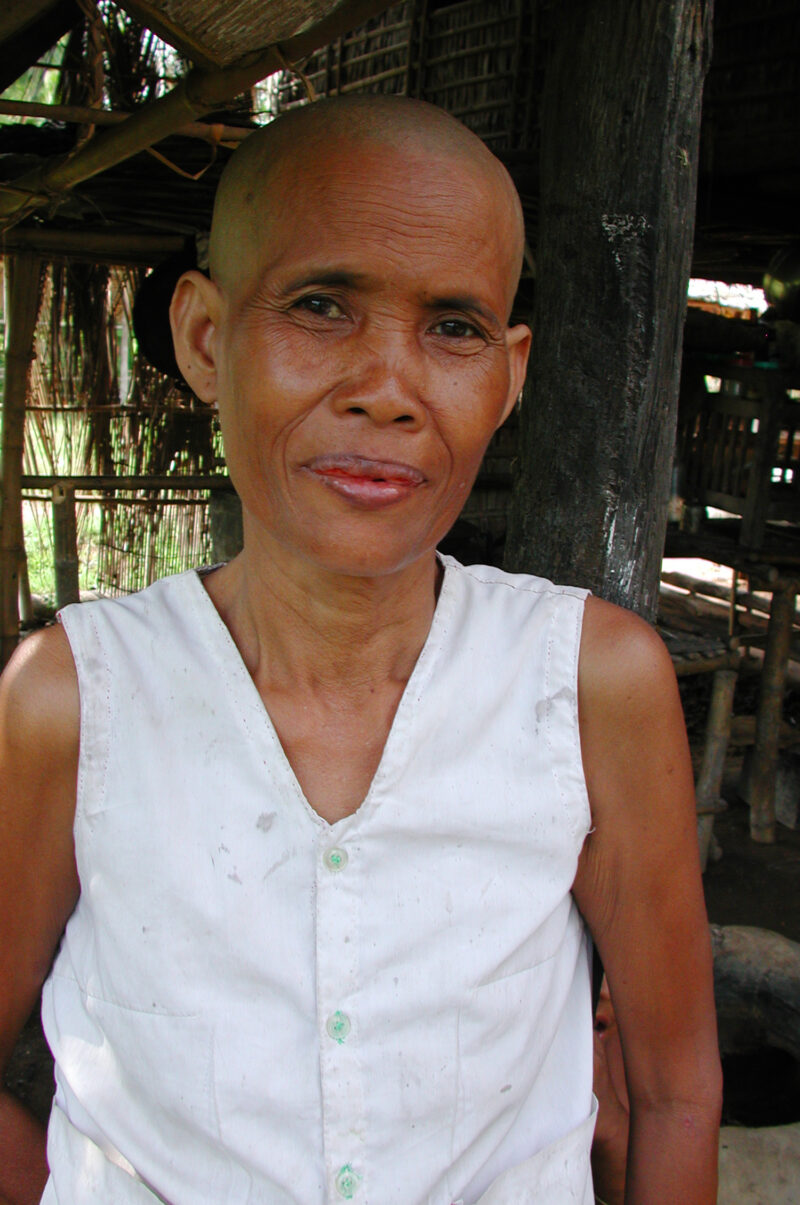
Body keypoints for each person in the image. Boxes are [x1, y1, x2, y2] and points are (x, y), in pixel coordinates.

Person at [0, 95, 721, 1205]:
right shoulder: (75, 700)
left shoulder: (585, 685)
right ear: (204, 337)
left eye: (453, 327)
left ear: (510, 373)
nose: (388, 387)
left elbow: (670, 1092)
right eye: (321, 304)